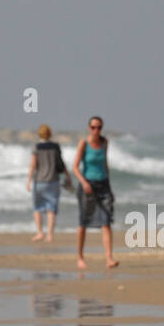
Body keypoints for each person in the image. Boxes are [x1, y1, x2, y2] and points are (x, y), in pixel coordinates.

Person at [73, 115, 119, 268]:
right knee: (83, 222)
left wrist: (110, 188)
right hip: (88, 185)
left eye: (99, 127)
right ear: (89, 128)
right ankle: (80, 258)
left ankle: (109, 259)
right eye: (93, 127)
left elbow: (105, 164)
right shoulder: (83, 144)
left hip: (103, 184)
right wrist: (84, 182)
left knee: (106, 221)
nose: (96, 130)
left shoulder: (105, 142)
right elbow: (75, 167)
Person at [27, 124, 72, 242]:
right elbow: (61, 163)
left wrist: (28, 181)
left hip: (39, 181)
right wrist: (68, 176)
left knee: (37, 208)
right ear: (50, 133)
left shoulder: (36, 147)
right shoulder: (55, 147)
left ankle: (40, 233)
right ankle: (50, 235)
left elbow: (33, 165)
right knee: (51, 209)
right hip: (53, 181)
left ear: (39, 134)